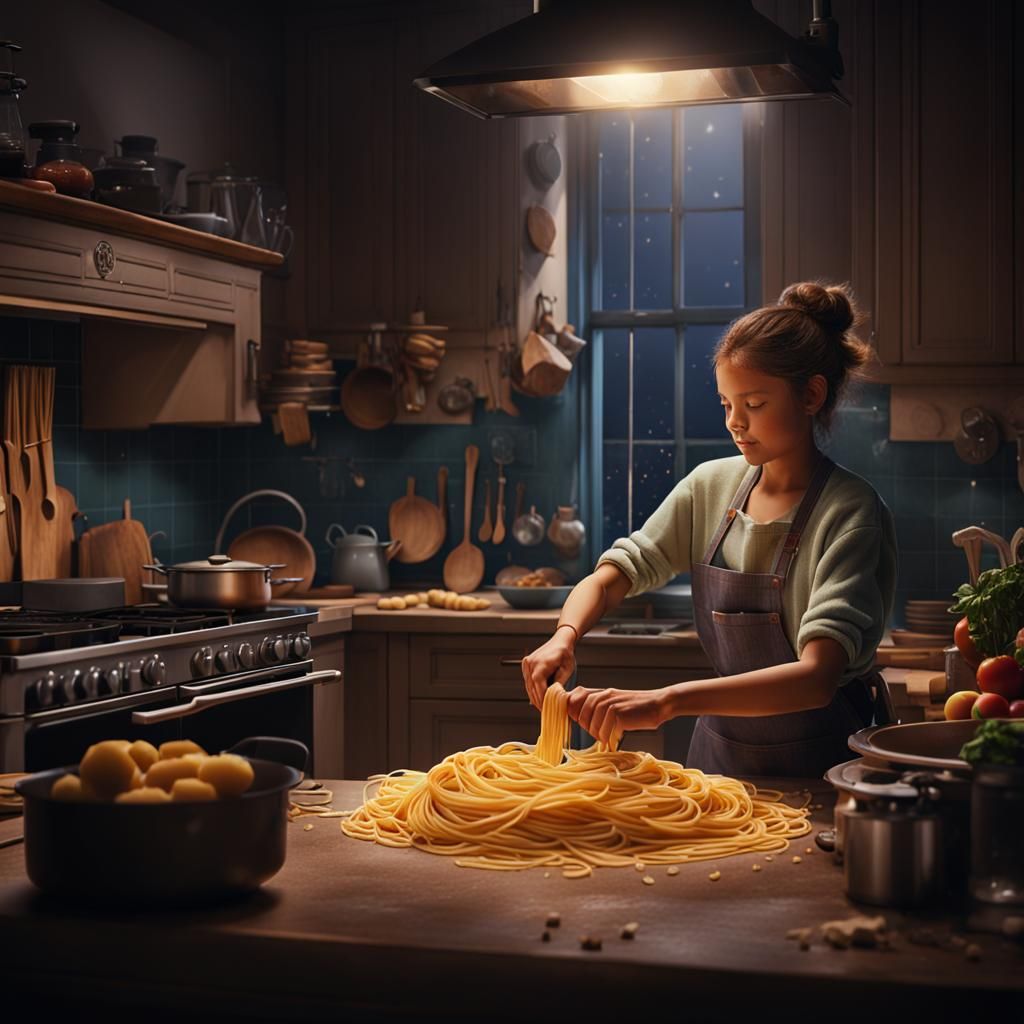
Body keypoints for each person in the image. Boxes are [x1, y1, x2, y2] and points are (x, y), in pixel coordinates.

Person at [521, 281, 897, 778]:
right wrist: (563, 636)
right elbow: (616, 573)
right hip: (721, 767)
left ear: (811, 394)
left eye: (755, 404)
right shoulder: (710, 487)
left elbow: (815, 679)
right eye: (726, 404)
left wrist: (666, 701)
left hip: (826, 770)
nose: (735, 423)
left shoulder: (850, 514)